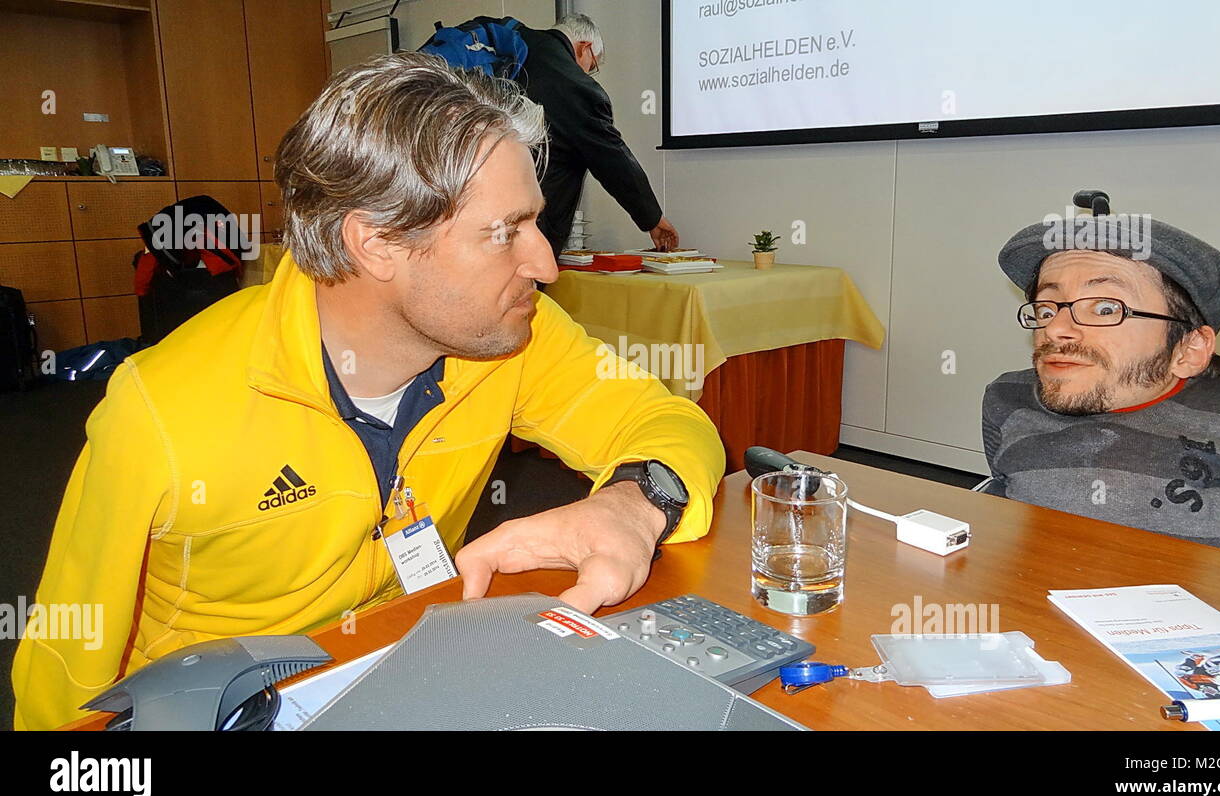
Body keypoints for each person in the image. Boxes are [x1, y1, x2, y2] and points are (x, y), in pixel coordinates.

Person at [11, 53, 724, 730]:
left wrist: (634, 504)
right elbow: (63, 667)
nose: (545, 263)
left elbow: (666, 420)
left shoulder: (513, 336)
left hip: (413, 671)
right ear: (377, 243)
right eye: (504, 232)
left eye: (536, 221)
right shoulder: (162, 409)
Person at [982, 212, 1220, 565]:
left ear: (1187, 349)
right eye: (1046, 308)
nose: (1055, 329)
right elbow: (1003, 488)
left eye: (1105, 308)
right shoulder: (1007, 398)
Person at [516, 13, 680, 255]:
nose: (587, 74)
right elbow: (611, 158)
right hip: (529, 227)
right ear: (585, 47)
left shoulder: (515, 46)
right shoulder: (577, 87)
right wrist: (653, 219)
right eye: (591, 66)